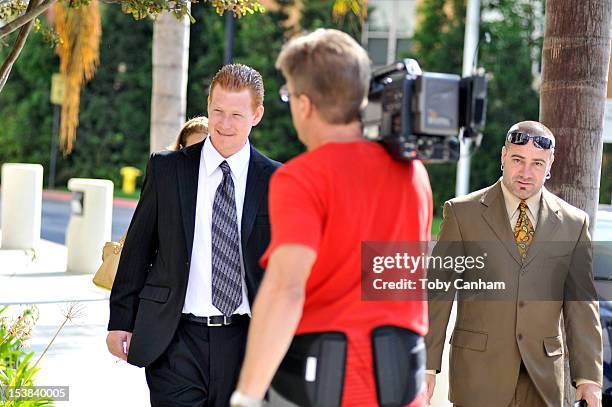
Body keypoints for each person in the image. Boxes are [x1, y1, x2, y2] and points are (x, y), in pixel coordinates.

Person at [230, 28, 432, 407]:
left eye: (288, 94)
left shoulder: (302, 177)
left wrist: (247, 394)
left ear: (304, 104)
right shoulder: (413, 171)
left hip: (325, 386)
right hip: (402, 386)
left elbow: (285, 289)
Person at [106, 63, 280, 407]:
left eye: (236, 114)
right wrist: (120, 320)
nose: (224, 124)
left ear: (257, 115)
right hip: (175, 339)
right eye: (217, 111)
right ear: (208, 104)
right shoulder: (167, 169)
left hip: (248, 341)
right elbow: (139, 248)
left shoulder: (277, 180)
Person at [424, 121, 603, 407]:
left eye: (537, 163)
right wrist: (426, 366)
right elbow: (438, 293)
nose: (526, 173)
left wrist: (589, 379)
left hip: (542, 381)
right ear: (504, 156)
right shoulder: (462, 214)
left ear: (550, 165)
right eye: (518, 160)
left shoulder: (573, 223)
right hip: (478, 377)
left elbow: (582, 304)